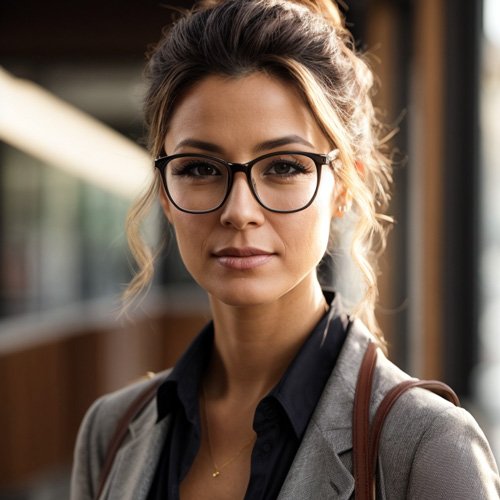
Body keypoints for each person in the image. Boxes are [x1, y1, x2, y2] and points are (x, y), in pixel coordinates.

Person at [71, 0, 500, 499]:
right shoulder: (110, 432)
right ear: (165, 191)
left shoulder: (425, 447)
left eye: (284, 166)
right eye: (201, 169)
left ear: (341, 186)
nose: (239, 210)